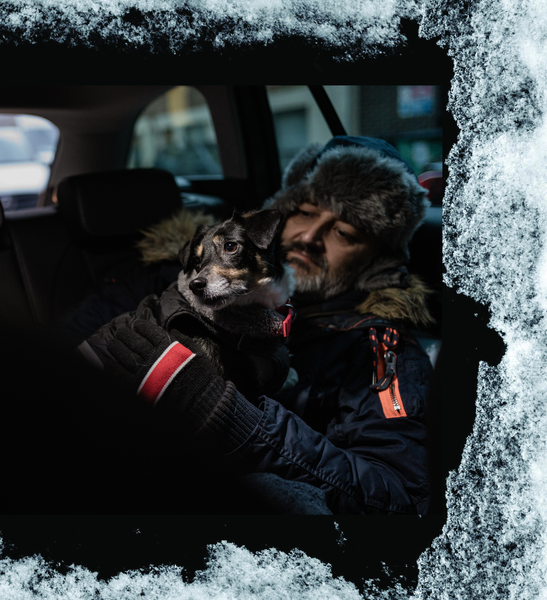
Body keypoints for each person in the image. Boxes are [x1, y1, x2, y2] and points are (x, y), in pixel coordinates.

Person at [76, 136, 435, 515]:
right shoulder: (177, 275)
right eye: (306, 212)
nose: (310, 238)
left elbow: (400, 496)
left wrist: (236, 420)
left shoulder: (377, 349)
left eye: (344, 233)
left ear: (376, 259)